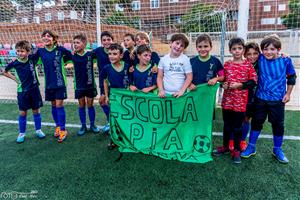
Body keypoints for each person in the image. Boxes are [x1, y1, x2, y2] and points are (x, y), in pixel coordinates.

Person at [241, 35, 297, 164]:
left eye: (272, 49)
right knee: (256, 123)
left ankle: (277, 149)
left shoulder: (286, 60)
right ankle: (251, 147)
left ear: (279, 49)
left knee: (278, 125)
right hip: (260, 98)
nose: (268, 52)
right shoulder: (260, 58)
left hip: (277, 100)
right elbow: (250, 55)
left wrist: (288, 94)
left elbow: (292, 77)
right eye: (265, 49)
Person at [213, 37, 257, 164]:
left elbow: (253, 82)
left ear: (243, 49)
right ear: (230, 50)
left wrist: (240, 85)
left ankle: (237, 150)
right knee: (227, 126)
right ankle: (226, 147)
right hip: (227, 101)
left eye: (239, 48)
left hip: (240, 103)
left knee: (237, 127)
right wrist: (223, 85)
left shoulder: (248, 65)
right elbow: (222, 80)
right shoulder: (227, 64)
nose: (237, 51)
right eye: (234, 49)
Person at [33, 30, 72, 143]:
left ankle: (63, 130)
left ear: (54, 39)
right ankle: (58, 127)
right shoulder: (40, 51)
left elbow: (71, 58)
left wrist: (64, 65)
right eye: (44, 36)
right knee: (53, 105)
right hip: (49, 83)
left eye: (49, 36)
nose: (46, 38)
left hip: (60, 83)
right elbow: (31, 61)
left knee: (59, 105)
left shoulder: (60, 50)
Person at [3, 40, 45, 143]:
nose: (19, 53)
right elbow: (5, 72)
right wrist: (16, 80)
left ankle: (38, 130)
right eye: (17, 51)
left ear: (28, 51)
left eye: (22, 51)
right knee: (22, 113)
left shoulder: (32, 59)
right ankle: (22, 133)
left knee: (36, 110)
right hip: (22, 91)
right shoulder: (15, 62)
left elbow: (40, 52)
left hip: (34, 89)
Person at [100, 43, 130, 150]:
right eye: (110, 54)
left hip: (126, 98)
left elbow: (131, 81)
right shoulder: (106, 68)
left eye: (115, 54)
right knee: (114, 119)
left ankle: (127, 138)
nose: (111, 56)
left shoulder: (127, 66)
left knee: (126, 117)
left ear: (121, 55)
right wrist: (107, 96)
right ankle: (113, 139)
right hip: (114, 96)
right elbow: (105, 82)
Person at [72, 34, 99, 136]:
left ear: (84, 44)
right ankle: (83, 125)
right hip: (79, 86)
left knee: (90, 105)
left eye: (77, 43)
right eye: (74, 43)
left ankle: (92, 125)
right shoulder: (72, 56)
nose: (75, 45)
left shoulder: (90, 55)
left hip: (90, 85)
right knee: (81, 105)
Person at [157, 33, 193, 98]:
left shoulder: (185, 59)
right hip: (165, 94)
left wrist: (182, 91)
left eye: (182, 45)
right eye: (177, 43)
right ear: (171, 43)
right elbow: (160, 76)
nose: (178, 46)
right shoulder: (163, 59)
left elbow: (189, 76)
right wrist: (161, 90)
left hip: (180, 94)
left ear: (184, 49)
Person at [239, 42, 260, 151]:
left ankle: (243, 140)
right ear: (245, 54)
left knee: (250, 120)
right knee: (242, 119)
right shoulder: (242, 64)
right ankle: (234, 139)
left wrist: (282, 55)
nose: (252, 56)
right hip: (243, 97)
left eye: (255, 53)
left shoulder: (262, 63)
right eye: (249, 54)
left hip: (258, 97)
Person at [93, 31, 114, 133]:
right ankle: (110, 121)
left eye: (108, 39)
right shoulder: (97, 51)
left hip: (115, 82)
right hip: (103, 82)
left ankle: (116, 124)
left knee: (114, 103)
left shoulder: (117, 50)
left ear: (112, 40)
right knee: (102, 101)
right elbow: (87, 56)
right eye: (104, 40)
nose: (106, 42)